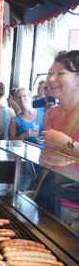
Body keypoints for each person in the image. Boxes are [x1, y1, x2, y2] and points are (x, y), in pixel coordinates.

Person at [35, 50, 79, 231]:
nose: (51, 79)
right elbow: (49, 157)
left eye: (60, 73)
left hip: (75, 204)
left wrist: (66, 143)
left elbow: (64, 147)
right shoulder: (49, 116)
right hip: (49, 196)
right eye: (50, 73)